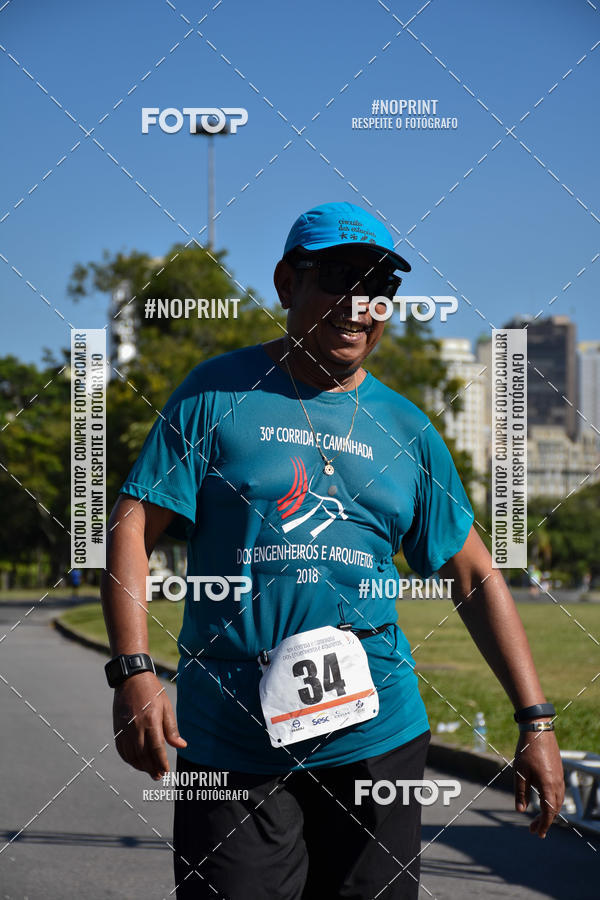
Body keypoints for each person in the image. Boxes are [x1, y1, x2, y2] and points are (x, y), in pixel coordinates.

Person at [101, 202, 565, 899]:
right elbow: (132, 525)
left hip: (376, 736)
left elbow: (473, 573)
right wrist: (134, 670)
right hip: (231, 739)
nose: (359, 306)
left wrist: (536, 721)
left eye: (379, 288)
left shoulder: (408, 429)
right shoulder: (215, 395)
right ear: (288, 282)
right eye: (340, 280)